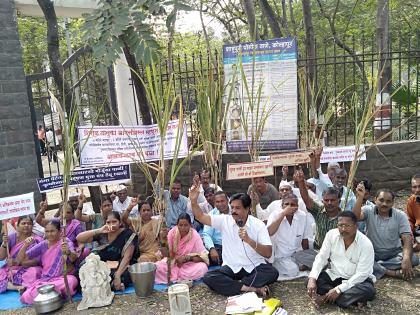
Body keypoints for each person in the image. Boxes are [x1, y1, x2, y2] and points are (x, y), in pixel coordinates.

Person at [190, 176, 278, 297]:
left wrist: (249, 241)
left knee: (272, 273)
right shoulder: (225, 220)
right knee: (209, 277)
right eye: (232, 208)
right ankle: (252, 288)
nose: (234, 211)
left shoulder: (258, 225)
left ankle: (236, 286)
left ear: (247, 209)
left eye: (238, 208)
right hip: (232, 266)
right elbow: (201, 217)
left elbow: (268, 253)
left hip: (254, 267)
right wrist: (193, 201)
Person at [307, 211, 376, 309]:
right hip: (335, 276)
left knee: (368, 291)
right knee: (312, 281)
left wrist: (339, 290)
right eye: (340, 225)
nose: (343, 229)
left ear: (356, 226)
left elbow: (362, 274)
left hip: (358, 281)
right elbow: (321, 257)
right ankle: (348, 300)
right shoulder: (331, 235)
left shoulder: (366, 244)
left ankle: (326, 297)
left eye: (348, 225)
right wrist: (312, 279)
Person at [352, 185, 419, 280]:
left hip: (393, 252)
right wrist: (360, 198)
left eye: (388, 201)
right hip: (372, 252)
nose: (384, 204)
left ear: (393, 203)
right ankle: (391, 272)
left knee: (414, 259)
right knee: (355, 259)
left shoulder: (400, 215)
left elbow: (407, 238)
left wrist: (406, 259)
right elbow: (355, 217)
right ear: (375, 200)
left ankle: (375, 267)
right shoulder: (368, 210)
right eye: (381, 200)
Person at [16, 220, 79, 305]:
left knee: (72, 281)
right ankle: (52, 293)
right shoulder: (43, 245)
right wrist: (25, 245)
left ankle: (45, 293)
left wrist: (68, 252)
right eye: (47, 231)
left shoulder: (65, 242)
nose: (49, 234)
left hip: (63, 278)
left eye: (52, 231)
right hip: (46, 280)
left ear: (60, 232)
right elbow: (20, 259)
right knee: (26, 296)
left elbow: (73, 258)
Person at [76, 211, 139, 290]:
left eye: (114, 222)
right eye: (108, 222)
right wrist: (99, 230)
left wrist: (117, 276)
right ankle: (110, 285)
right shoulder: (103, 233)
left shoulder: (128, 234)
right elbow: (79, 238)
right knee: (81, 274)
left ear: (120, 223)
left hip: (120, 266)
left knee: (127, 274)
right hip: (103, 266)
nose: (111, 225)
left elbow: (127, 257)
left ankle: (107, 284)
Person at [294, 169, 342, 269]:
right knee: (298, 255)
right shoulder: (319, 211)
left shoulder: (344, 217)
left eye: (332, 200)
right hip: (319, 252)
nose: (329, 203)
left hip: (337, 254)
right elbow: (306, 199)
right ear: (322, 200)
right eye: (326, 200)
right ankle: (326, 266)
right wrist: (301, 181)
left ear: (339, 201)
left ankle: (323, 266)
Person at [267, 193, 312, 278]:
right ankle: (279, 265)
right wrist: (283, 214)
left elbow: (305, 239)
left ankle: (301, 264)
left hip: (297, 253)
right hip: (281, 256)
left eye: (293, 205)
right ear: (282, 206)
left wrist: (306, 256)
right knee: (293, 271)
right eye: (286, 204)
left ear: (297, 206)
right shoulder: (275, 214)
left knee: (319, 260)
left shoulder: (302, 216)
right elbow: (269, 232)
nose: (289, 207)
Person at [154, 213, 208, 284]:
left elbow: (203, 257)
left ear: (190, 225)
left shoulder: (195, 236)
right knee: (156, 267)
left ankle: (176, 277)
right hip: (173, 263)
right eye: (180, 225)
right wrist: (163, 240)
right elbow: (168, 255)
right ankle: (180, 278)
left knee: (202, 268)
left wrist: (187, 258)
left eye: (186, 225)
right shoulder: (171, 233)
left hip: (189, 265)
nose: (183, 228)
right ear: (177, 225)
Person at [0, 216, 43, 293]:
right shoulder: (11, 237)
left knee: (34, 272)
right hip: (10, 267)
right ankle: (17, 287)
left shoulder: (37, 239)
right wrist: (4, 243)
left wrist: (18, 263)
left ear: (32, 226)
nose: (26, 225)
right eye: (23, 223)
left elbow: (36, 261)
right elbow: (1, 257)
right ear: (17, 226)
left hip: (28, 267)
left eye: (29, 223)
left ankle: (10, 285)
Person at [202, 191, 230, 265]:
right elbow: (206, 234)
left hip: (233, 246)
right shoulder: (212, 215)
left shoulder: (235, 211)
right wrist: (212, 249)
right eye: (217, 202)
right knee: (205, 258)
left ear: (227, 201)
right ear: (214, 203)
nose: (220, 204)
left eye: (222, 201)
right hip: (218, 246)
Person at [406, 174, 420, 252]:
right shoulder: (411, 200)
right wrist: (409, 235)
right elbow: (410, 220)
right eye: (414, 187)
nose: (417, 190)